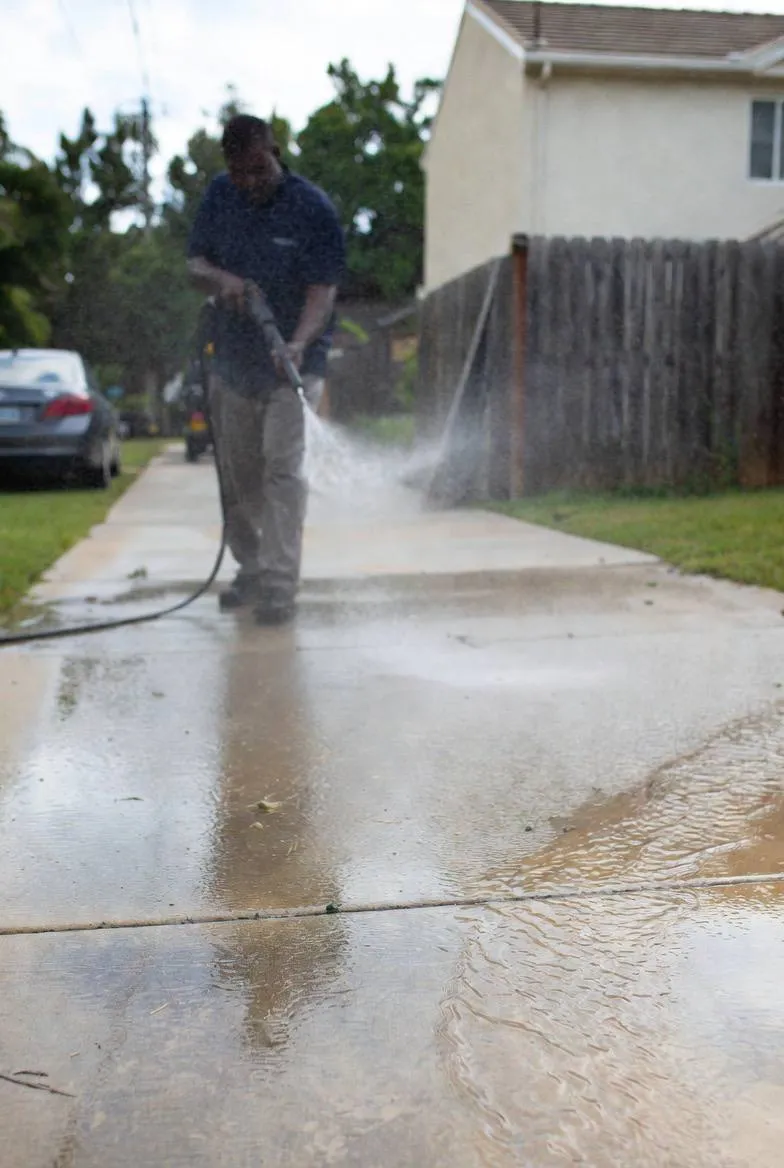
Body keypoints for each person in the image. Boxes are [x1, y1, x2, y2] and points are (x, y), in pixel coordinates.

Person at [187, 114, 345, 625]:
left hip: (293, 365)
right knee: (238, 475)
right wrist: (224, 281)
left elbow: (322, 292)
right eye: (239, 173)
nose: (250, 182)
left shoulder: (311, 208)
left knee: (282, 470)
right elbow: (195, 265)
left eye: (258, 169)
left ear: (273, 151)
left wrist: (297, 343)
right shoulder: (219, 197)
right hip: (233, 362)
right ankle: (251, 568)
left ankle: (279, 583)